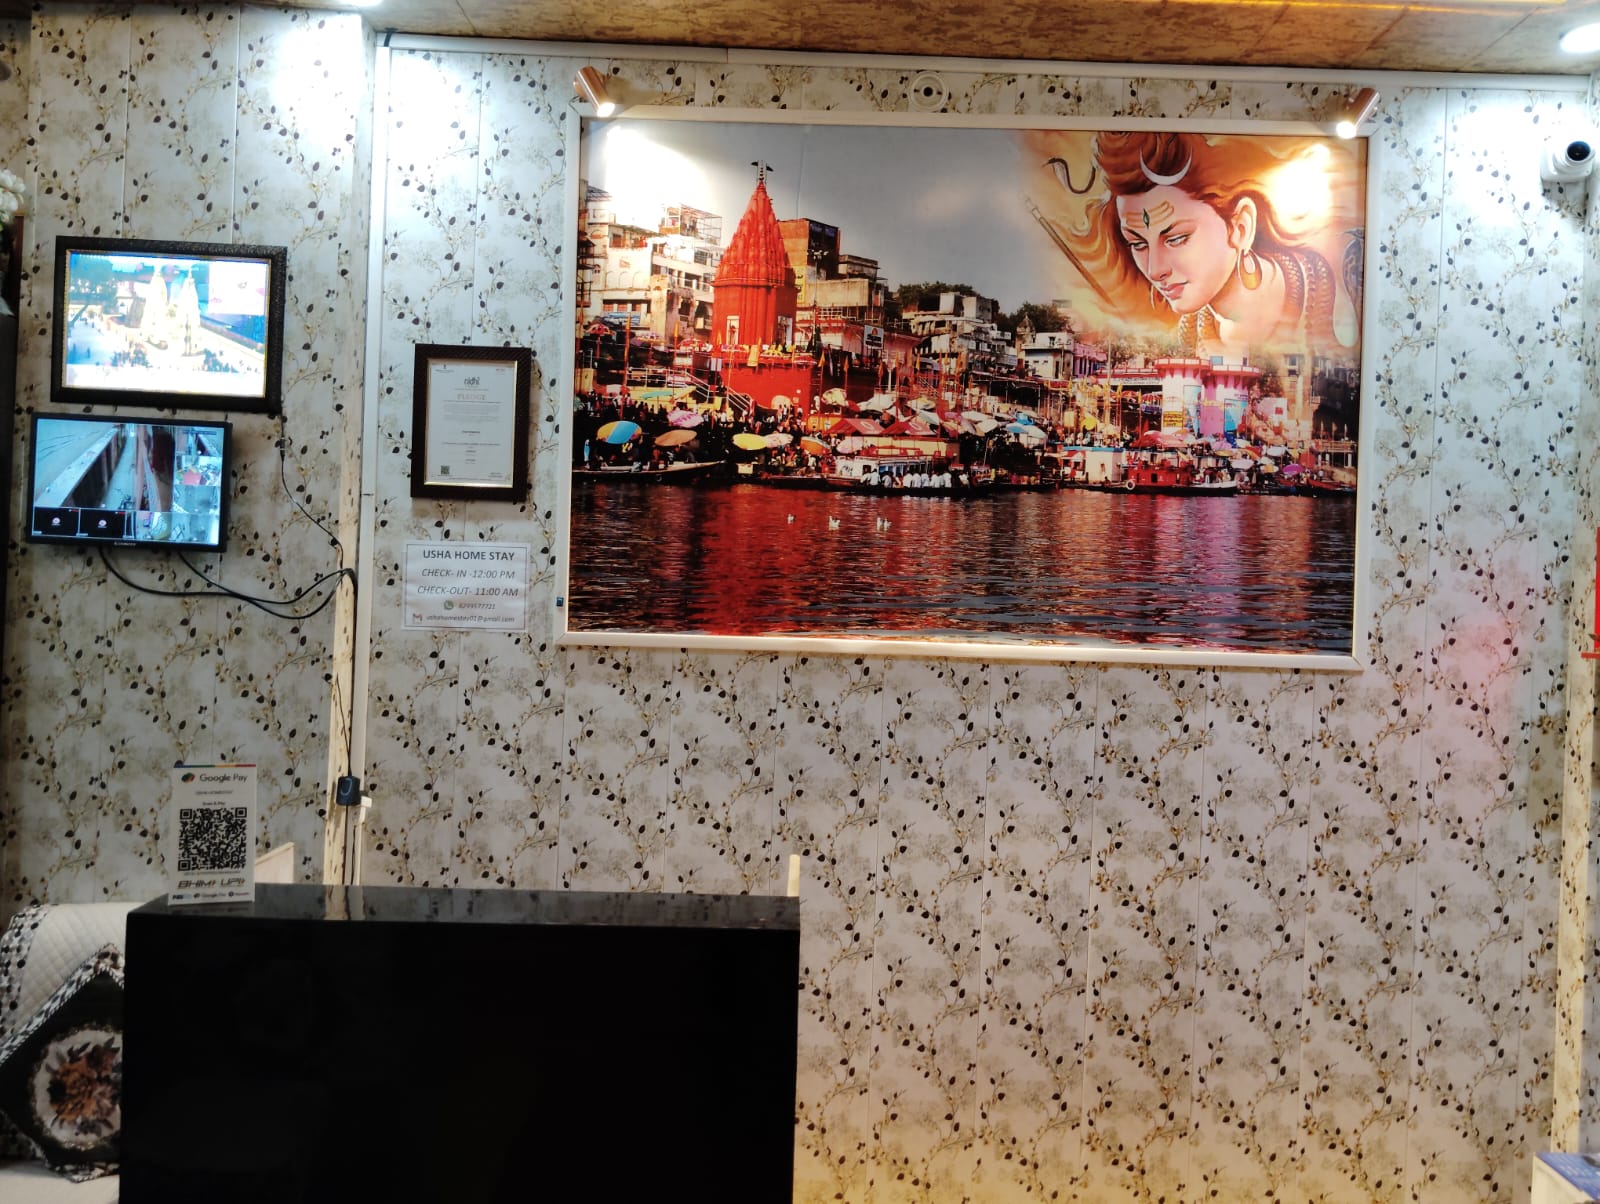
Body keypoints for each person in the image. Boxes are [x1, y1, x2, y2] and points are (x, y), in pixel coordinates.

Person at [1038, 131, 1352, 362]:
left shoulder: (1343, 295)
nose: (1155, 270)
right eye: (1138, 243)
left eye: (1176, 238)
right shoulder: (1191, 334)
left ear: (1240, 226)